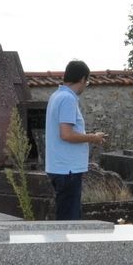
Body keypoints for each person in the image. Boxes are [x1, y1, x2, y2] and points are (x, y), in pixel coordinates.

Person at [45, 60, 107, 220]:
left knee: (64, 219)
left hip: (60, 167)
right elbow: (66, 134)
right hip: (68, 170)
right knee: (69, 223)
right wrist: (93, 138)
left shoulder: (56, 95)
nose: (86, 85)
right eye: (87, 81)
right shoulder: (68, 99)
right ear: (82, 79)